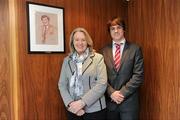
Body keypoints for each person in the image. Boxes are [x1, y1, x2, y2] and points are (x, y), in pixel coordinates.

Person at [58, 27, 107, 120]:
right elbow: (62, 84)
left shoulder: (98, 58)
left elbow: (102, 84)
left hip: (95, 110)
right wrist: (71, 104)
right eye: (76, 40)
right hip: (73, 110)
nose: (80, 43)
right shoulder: (67, 61)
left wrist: (82, 103)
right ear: (72, 42)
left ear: (87, 42)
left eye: (83, 40)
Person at [100, 17, 144, 120]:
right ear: (109, 31)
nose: (116, 31)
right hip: (110, 103)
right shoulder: (103, 51)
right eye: (112, 28)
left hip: (129, 103)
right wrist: (111, 93)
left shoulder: (135, 49)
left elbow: (138, 76)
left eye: (119, 27)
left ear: (124, 29)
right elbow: (100, 77)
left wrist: (122, 93)